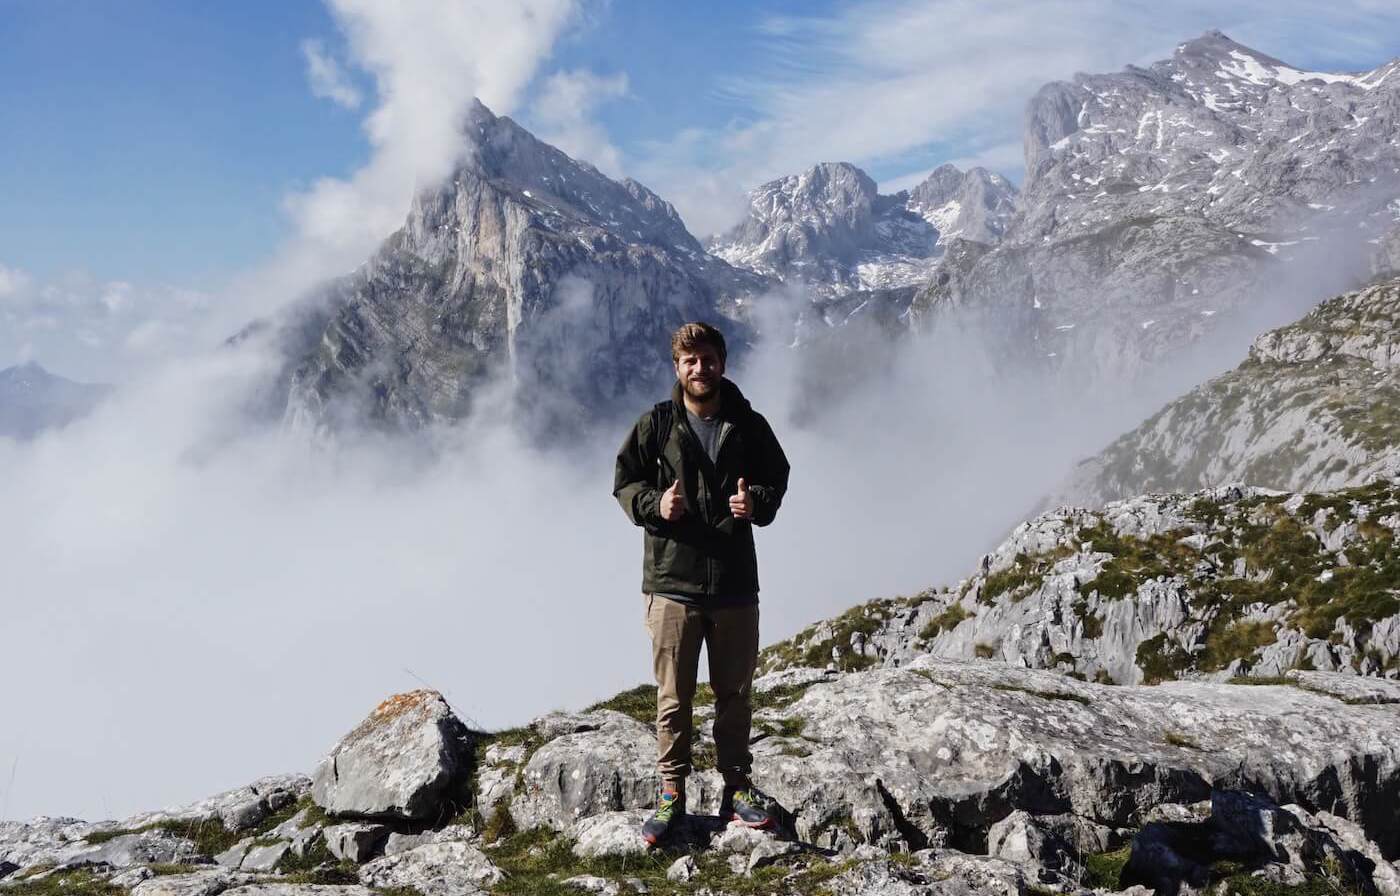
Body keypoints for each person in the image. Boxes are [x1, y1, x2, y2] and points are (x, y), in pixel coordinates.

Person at [613, 321, 791, 845]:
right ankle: (672, 793)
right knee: (674, 697)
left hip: (735, 584)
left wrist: (756, 501)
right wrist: (655, 506)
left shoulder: (747, 422)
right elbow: (625, 481)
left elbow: (776, 474)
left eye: (708, 359)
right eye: (689, 361)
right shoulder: (658, 424)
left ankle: (736, 787)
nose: (700, 369)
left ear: (722, 363)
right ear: (677, 367)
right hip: (673, 583)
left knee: (734, 693)